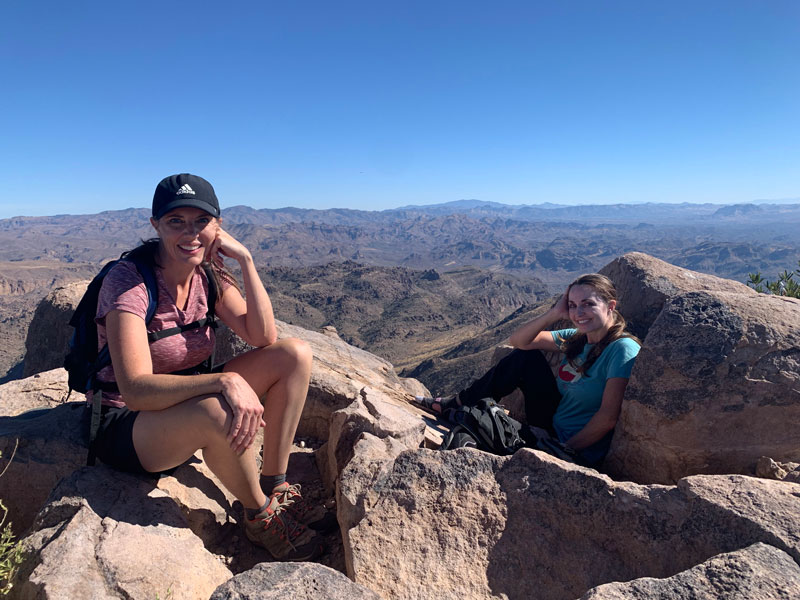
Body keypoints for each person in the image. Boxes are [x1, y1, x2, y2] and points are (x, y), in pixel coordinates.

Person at [90, 173, 325, 561]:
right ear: (156, 226)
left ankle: (275, 484)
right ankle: (259, 514)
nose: (191, 233)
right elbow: (134, 389)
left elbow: (263, 337)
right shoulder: (130, 282)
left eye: (201, 221)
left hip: (186, 398)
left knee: (294, 354)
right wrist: (223, 381)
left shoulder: (207, 274)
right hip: (128, 421)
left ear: (218, 225)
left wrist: (246, 260)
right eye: (176, 222)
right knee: (219, 407)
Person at [416, 273, 640, 467]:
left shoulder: (622, 349)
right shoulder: (577, 338)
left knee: (473, 428)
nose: (579, 312)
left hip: (574, 446)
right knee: (524, 359)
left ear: (611, 306)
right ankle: (458, 403)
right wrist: (554, 313)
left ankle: (457, 415)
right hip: (552, 423)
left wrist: (561, 448)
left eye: (588, 304)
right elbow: (519, 342)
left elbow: (608, 417)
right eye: (573, 305)